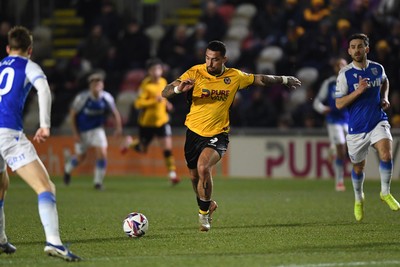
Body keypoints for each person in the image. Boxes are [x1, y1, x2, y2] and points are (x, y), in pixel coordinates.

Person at [161, 40, 301, 231]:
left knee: (203, 168)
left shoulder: (234, 76)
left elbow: (259, 78)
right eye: (207, 59)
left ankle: (203, 217)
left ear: (224, 59)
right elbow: (165, 92)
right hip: (193, 132)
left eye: (215, 60)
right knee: (194, 177)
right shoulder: (195, 72)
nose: (210, 64)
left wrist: (284, 79)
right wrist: (178, 89)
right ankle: (208, 204)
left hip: (218, 134)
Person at [0, 26, 80, 261]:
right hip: (8, 134)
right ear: (30, 50)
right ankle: (54, 243)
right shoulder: (28, 65)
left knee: (1, 185)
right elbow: (43, 88)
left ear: (8, 48)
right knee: (46, 187)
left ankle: (1, 238)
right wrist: (45, 124)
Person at [335, 33, 400, 222]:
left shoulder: (377, 69)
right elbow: (339, 104)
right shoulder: (345, 74)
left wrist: (384, 97)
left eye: (360, 46)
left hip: (377, 120)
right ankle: (358, 198)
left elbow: (385, 81)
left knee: (386, 153)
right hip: (356, 128)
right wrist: (358, 91)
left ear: (367, 49)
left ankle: (385, 192)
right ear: (349, 51)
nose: (356, 50)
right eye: (353, 47)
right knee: (358, 167)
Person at [121, 58, 180, 185]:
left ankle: (172, 174)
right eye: (153, 69)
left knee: (167, 148)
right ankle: (130, 143)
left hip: (161, 121)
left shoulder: (163, 81)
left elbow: (162, 98)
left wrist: (167, 103)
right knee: (142, 149)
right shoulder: (145, 85)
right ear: (149, 71)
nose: (156, 72)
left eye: (158, 69)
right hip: (147, 123)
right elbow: (138, 103)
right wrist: (155, 101)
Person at [63, 69, 122, 190]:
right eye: (94, 83)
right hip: (82, 131)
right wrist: (75, 133)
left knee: (102, 155)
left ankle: (98, 183)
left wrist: (118, 128)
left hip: (97, 130)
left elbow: (115, 113)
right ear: (90, 85)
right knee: (81, 158)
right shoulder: (82, 98)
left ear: (102, 85)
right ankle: (68, 169)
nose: (97, 85)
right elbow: (72, 114)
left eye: (99, 82)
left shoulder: (106, 97)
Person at [313, 58, 349, 192]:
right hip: (334, 120)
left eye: (343, 65)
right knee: (341, 149)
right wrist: (323, 109)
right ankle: (339, 182)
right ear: (334, 68)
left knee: (352, 149)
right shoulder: (328, 83)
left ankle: (333, 147)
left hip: (349, 120)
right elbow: (316, 102)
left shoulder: (352, 81)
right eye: (338, 65)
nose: (340, 67)